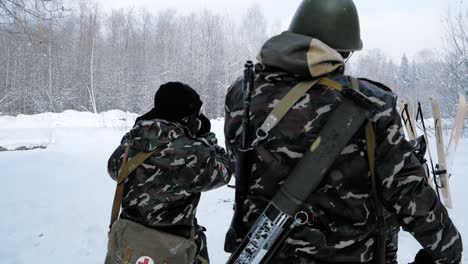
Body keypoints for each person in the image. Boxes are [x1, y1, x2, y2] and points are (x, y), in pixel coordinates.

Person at [223, 0, 462, 263]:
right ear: (343, 51)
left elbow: (241, 165)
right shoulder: (370, 104)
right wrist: (449, 251)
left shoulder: (241, 95)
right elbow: (409, 193)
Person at [106, 82, 231, 264]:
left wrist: (139, 129)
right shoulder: (195, 153)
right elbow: (225, 170)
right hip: (174, 248)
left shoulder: (131, 145)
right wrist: (207, 139)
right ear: (187, 117)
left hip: (130, 246)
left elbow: (114, 170)